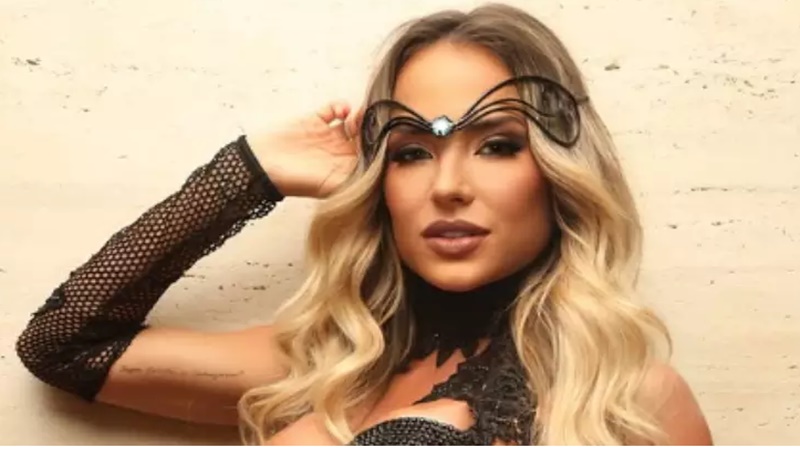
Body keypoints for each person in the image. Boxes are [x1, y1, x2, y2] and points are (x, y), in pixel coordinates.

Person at [14, 3, 713, 445]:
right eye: (410, 152)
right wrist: (250, 172)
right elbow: (63, 344)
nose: (447, 186)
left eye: (498, 145)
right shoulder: (326, 364)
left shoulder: (623, 400)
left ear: (560, 170)